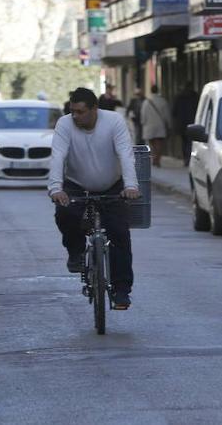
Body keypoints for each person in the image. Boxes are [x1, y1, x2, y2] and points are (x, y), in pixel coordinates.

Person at [48, 87, 140, 310]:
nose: (76, 117)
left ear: (94, 109)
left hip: (112, 184)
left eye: (80, 112)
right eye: (73, 112)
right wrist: (55, 188)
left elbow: (125, 154)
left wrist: (130, 186)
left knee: (119, 234)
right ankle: (76, 252)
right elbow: (58, 155)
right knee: (65, 213)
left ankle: (121, 291)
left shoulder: (114, 121)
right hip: (76, 184)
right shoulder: (65, 124)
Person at [139, 84, 170, 167]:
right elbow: (167, 114)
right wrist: (169, 124)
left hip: (149, 126)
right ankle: (157, 159)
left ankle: (154, 158)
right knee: (159, 143)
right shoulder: (162, 101)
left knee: (151, 143)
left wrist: (143, 122)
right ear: (158, 91)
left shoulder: (146, 102)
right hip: (160, 125)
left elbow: (143, 114)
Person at [172, 83, 199, 167]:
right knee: (190, 142)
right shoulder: (195, 97)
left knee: (184, 142)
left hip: (182, 123)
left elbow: (174, 111)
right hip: (192, 122)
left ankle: (186, 159)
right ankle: (189, 158)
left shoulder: (179, 97)